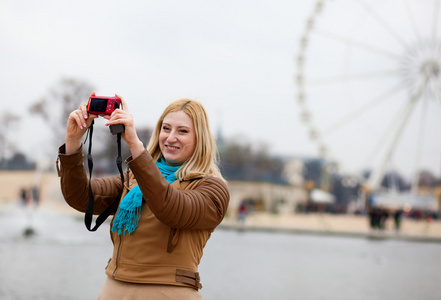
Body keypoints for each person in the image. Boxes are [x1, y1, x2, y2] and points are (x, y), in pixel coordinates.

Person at [57, 94, 229, 299]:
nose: (171, 137)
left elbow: (171, 207)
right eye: (166, 128)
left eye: (182, 131)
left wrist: (135, 145)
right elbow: (81, 196)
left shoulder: (212, 189)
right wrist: (73, 140)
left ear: (199, 139)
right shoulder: (134, 179)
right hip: (113, 290)